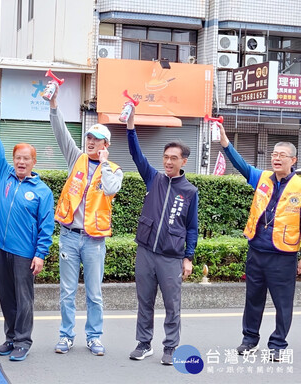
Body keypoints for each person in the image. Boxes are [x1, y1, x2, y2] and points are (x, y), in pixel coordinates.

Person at [48, 87, 123, 356]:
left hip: (94, 241)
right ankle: (66, 336)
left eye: (98, 139)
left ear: (106, 145)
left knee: (94, 294)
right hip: (69, 235)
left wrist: (103, 164)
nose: (91, 141)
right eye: (90, 137)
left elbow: (112, 189)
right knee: (67, 292)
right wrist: (54, 104)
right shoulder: (76, 158)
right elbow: (61, 134)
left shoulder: (113, 170)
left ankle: (94, 337)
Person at [217, 122, 301, 361]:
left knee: (283, 303)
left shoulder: (299, 186)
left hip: (283, 255)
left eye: (282, 156)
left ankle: (277, 344)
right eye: (274, 154)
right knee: (253, 298)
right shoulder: (262, 177)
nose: (276, 159)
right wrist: (225, 142)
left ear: (292, 161)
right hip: (256, 250)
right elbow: (241, 165)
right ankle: (249, 339)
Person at [0, 104, 55, 362]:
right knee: (6, 296)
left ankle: (23, 340)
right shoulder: (5, 175)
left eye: (26, 158)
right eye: (18, 158)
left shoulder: (42, 191)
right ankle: (11, 336)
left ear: (34, 162)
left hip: (25, 253)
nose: (21, 162)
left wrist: (40, 254)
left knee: (24, 299)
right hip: (1, 247)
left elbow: (47, 226)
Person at [126, 107, 198, 365]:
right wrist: (131, 124)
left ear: (183, 162)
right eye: (166, 157)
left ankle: (170, 347)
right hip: (145, 251)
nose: (168, 161)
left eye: (173, 158)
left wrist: (188, 258)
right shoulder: (153, 179)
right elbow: (136, 154)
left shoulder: (189, 191)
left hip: (170, 256)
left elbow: (192, 226)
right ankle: (144, 344)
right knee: (144, 302)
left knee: (172, 305)